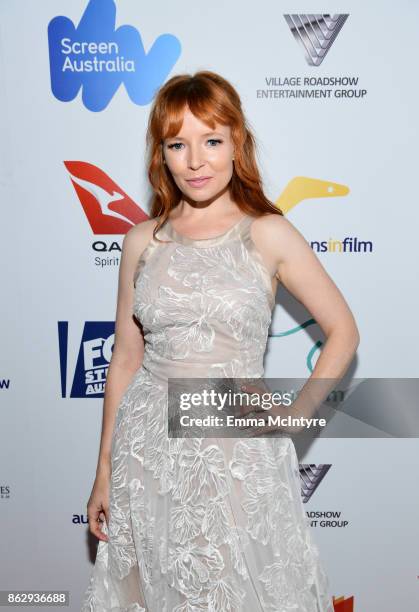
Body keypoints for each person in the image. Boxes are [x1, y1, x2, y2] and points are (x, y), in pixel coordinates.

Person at [81, 70, 359, 612]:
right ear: (161, 154)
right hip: (147, 449)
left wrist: (291, 422)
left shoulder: (267, 233)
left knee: (242, 589)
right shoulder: (142, 241)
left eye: (211, 140)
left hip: (235, 450)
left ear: (237, 144)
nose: (195, 160)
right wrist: (104, 471)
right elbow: (125, 361)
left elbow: (343, 332)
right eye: (177, 144)